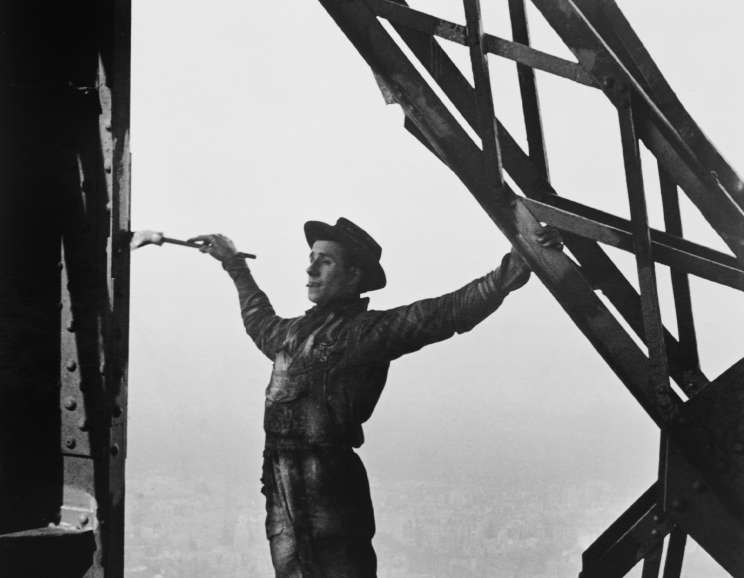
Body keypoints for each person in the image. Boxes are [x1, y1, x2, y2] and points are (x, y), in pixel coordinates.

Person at [189, 218, 561, 578]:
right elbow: (258, 318)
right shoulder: (291, 334)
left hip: (329, 492)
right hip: (281, 490)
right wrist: (233, 262)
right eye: (311, 260)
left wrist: (516, 265)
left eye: (325, 261)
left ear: (354, 276)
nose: (310, 271)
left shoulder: (367, 333)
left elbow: (446, 312)